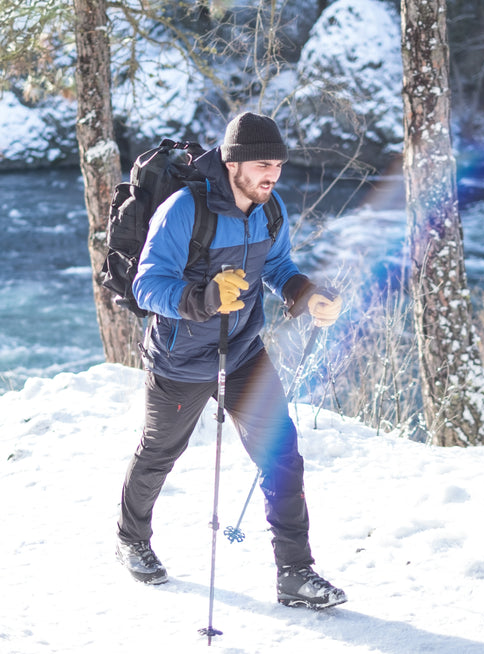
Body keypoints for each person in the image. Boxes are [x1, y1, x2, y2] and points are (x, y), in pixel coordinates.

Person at [114, 112, 347, 609]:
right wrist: (203, 297)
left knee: (282, 456)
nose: (273, 175)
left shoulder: (271, 208)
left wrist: (307, 294)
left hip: (242, 352)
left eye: (279, 165)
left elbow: (278, 265)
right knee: (158, 456)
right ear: (232, 161)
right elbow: (147, 285)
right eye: (263, 164)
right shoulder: (183, 210)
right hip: (179, 360)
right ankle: (131, 540)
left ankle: (296, 574)